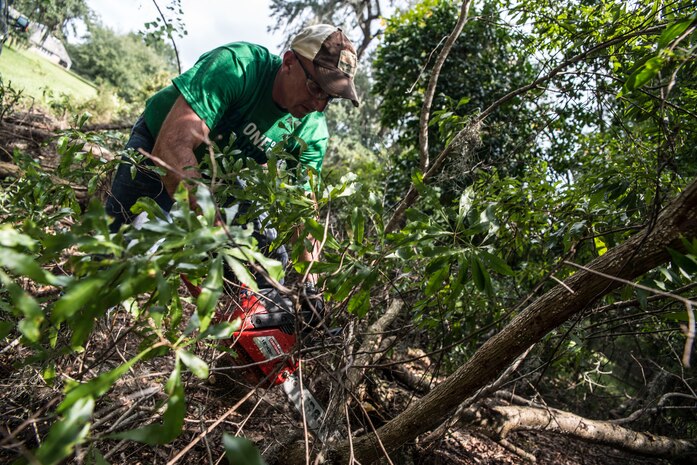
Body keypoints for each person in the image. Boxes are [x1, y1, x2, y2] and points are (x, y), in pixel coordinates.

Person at [105, 24, 359, 290]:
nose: (319, 105)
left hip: (224, 175)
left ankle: (249, 323)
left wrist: (311, 281)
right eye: (315, 88)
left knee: (265, 265)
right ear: (289, 62)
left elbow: (302, 209)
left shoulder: (313, 130)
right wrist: (214, 227)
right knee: (119, 254)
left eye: (330, 98)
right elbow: (173, 147)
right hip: (160, 145)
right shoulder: (237, 66)